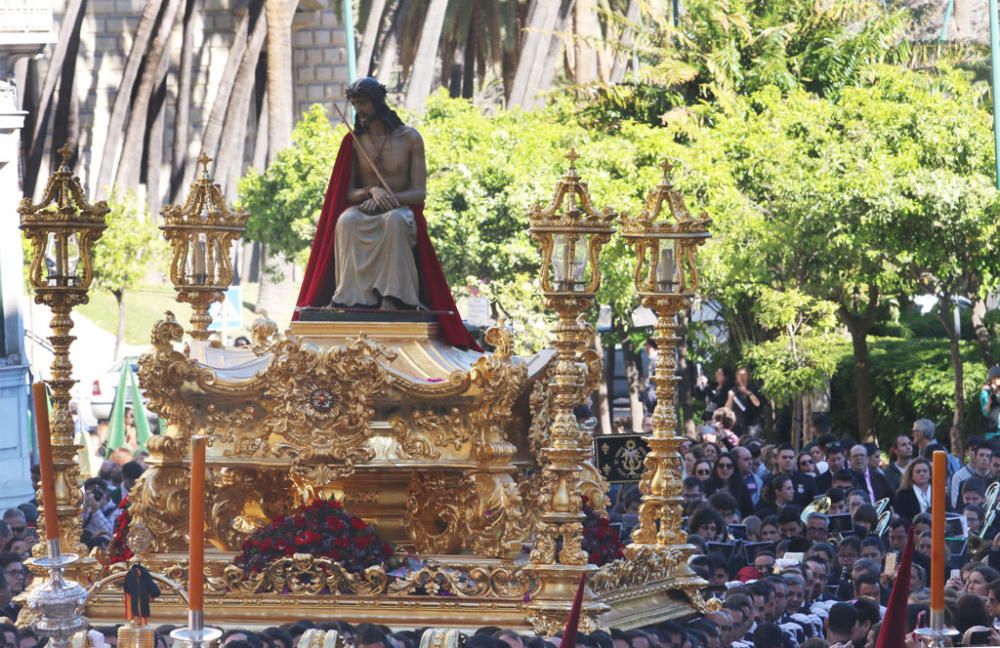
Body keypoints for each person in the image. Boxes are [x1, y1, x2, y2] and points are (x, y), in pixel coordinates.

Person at [293, 76, 476, 349]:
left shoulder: (410, 138)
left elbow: (419, 193)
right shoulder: (354, 141)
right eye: (354, 104)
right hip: (366, 210)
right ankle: (353, 298)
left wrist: (389, 199)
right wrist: (370, 192)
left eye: (363, 103)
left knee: (394, 221)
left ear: (379, 102)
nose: (359, 110)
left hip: (400, 212)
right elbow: (346, 194)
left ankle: (392, 298)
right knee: (347, 221)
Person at [704, 454, 754, 518]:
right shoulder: (707, 485)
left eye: (729, 466)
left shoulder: (741, 486)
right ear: (716, 468)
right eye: (721, 466)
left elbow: (749, 510)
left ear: (734, 469)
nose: (725, 469)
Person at [952, 439, 992, 509]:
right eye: (981, 455)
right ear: (976, 457)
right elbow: (959, 509)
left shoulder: (994, 484)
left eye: (988, 456)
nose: (984, 458)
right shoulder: (964, 483)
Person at [726, 368, 763, 435]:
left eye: (744, 375)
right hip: (737, 425)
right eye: (739, 375)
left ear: (748, 376)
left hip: (752, 424)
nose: (741, 377)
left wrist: (747, 392)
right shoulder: (734, 389)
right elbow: (727, 409)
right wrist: (730, 398)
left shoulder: (753, 388)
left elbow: (757, 403)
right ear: (737, 377)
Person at [896, 458, 933, 522]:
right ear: (912, 476)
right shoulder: (902, 495)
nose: (922, 474)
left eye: (925, 471)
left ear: (930, 474)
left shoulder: (939, 493)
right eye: (918, 471)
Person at [981, 366, 1000, 438]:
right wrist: (989, 402)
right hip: (993, 433)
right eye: (997, 377)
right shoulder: (986, 392)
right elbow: (985, 412)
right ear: (992, 379)